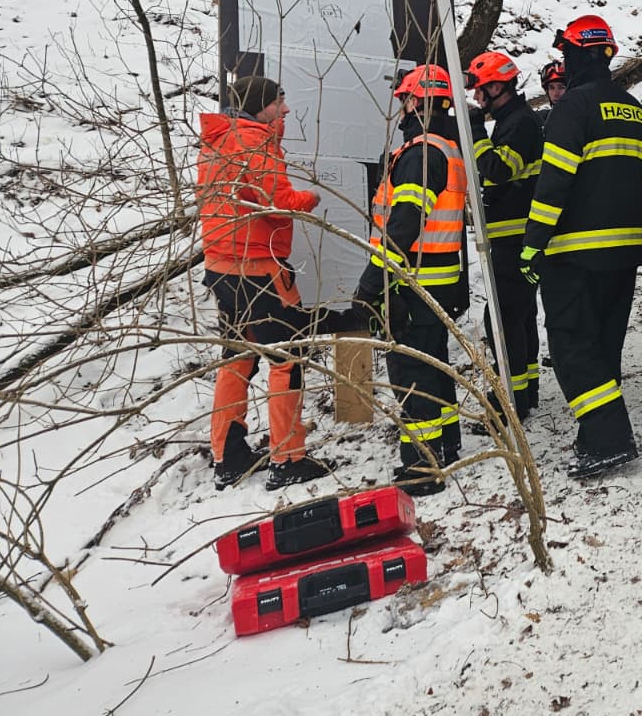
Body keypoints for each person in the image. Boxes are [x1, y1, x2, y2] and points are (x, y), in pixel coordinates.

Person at [519, 16, 642, 480]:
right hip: (624, 251)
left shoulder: (572, 108)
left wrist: (533, 245)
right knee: (603, 345)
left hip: (573, 253)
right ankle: (594, 434)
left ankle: (608, 437)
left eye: (565, 53)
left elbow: (553, 184)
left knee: (573, 345)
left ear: (576, 54)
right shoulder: (634, 109)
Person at [198, 74, 333, 490]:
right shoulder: (254, 142)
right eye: (279, 102)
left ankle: (228, 456)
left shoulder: (218, 141)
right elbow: (280, 205)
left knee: (237, 358)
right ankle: (288, 457)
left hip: (222, 268)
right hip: (259, 270)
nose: (286, 110)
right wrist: (311, 198)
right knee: (286, 358)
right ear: (260, 106)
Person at [352, 65, 469, 497]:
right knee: (433, 363)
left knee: (411, 372)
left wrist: (373, 282)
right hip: (436, 278)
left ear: (417, 101)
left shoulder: (420, 154)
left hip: (411, 279)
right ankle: (446, 444)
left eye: (405, 99)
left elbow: (404, 223)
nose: (401, 108)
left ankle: (422, 464)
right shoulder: (447, 148)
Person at [465, 50, 543, 428]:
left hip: (515, 237)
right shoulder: (515, 120)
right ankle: (526, 391)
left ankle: (509, 403)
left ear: (498, 86)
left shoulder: (519, 124)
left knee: (502, 317)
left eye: (481, 91)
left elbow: (497, 170)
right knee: (521, 315)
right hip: (515, 235)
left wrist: (476, 131)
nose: (478, 99)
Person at [538, 61, 567, 129]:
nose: (556, 94)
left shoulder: (583, 118)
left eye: (561, 87)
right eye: (551, 88)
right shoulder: (542, 119)